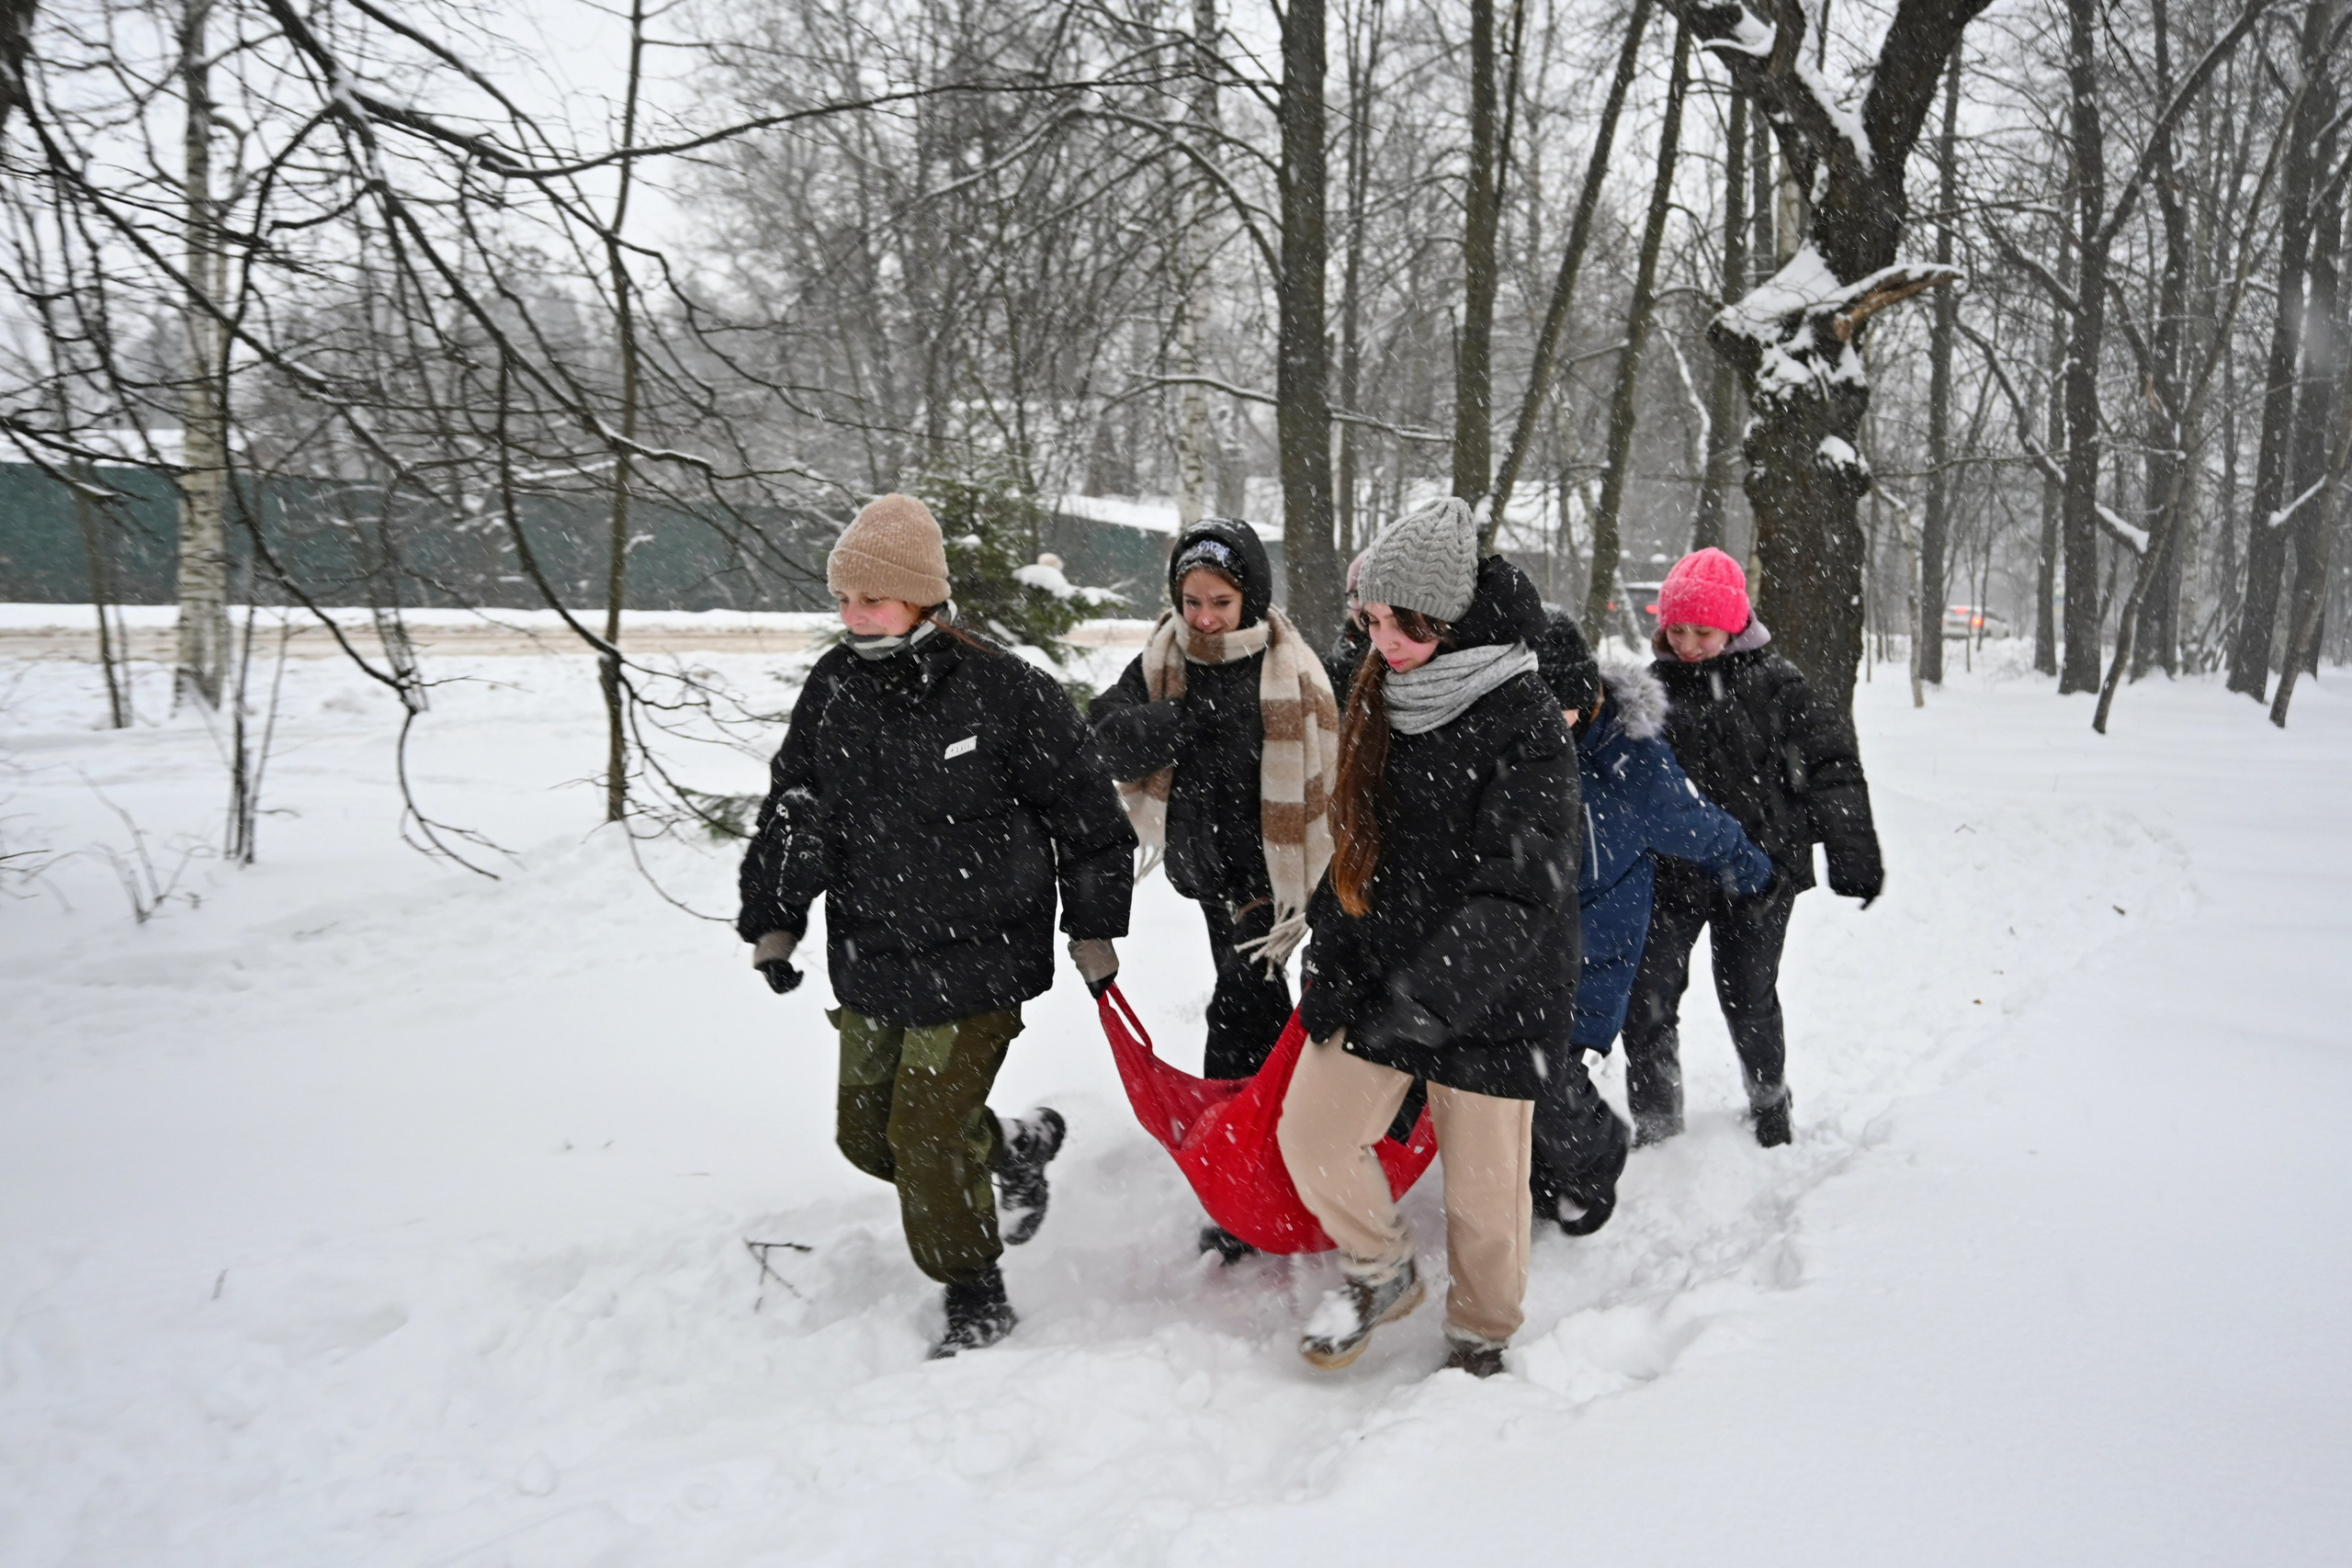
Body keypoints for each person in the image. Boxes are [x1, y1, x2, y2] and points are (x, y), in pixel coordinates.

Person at [735, 493, 1137, 1359]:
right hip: (873, 947)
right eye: (842, 599)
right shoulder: (836, 687)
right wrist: (776, 919)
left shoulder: (1006, 689)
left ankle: (975, 1291)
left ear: (921, 596)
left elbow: (1087, 812)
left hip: (984, 951)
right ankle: (1014, 1146)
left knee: (920, 1139)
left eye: (870, 600)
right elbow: (794, 809)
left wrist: (1094, 927)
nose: (851, 617)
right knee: (867, 1138)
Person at [1277, 496, 1579, 1380]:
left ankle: (1483, 1335)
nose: (1383, 640)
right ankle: (1381, 1269)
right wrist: (1334, 965)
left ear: (1449, 617)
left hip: (1498, 989)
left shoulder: (1524, 717)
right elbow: (1355, 844)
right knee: (1315, 1132)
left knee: (1486, 1202)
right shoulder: (1380, 690)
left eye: (1403, 625)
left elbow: (1521, 887)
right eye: (1371, 619)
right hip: (1386, 969)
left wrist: (1433, 997)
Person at [1089, 519, 1340, 1262]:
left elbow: (1337, 759)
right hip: (1209, 879)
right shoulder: (1166, 661)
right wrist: (1179, 722)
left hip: (1279, 887)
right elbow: (1102, 736)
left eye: (1220, 601)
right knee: (1257, 1018)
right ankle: (1261, 1163)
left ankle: (1250, 1179)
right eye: (1190, 599)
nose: (1202, 617)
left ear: (1251, 598)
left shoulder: (1292, 667)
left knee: (1245, 1016)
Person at [1622, 547, 1883, 1150]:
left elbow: (1833, 765)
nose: (1687, 644)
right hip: (1671, 872)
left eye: (1702, 632)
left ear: (1735, 626)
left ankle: (1769, 1098)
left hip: (1761, 871)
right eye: (1676, 630)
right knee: (1649, 994)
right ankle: (1657, 1121)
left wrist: (1853, 853)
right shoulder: (1650, 690)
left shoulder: (1779, 684)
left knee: (1748, 993)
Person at [1532, 657, 1773, 1235]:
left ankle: (1595, 1160)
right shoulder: (1521, 743)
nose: (1542, 718)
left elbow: (1694, 822)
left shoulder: (1630, 762)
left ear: (1586, 697)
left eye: (1555, 705)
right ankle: (1547, 1173)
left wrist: (1754, 870)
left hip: (1595, 944)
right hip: (1527, 937)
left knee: (1549, 1066)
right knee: (1519, 1066)